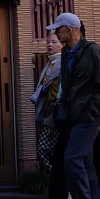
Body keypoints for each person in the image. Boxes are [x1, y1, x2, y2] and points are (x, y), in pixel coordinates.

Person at [48, 13, 100, 199]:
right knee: (85, 160)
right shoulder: (67, 52)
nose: (56, 33)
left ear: (72, 28)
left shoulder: (92, 50)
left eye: (59, 29)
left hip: (88, 116)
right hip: (72, 116)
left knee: (72, 157)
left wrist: (92, 111)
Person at [30, 31, 63, 179]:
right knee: (47, 149)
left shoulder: (63, 63)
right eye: (48, 41)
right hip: (51, 111)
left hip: (59, 111)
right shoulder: (51, 63)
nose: (49, 44)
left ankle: (63, 182)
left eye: (54, 42)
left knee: (49, 148)